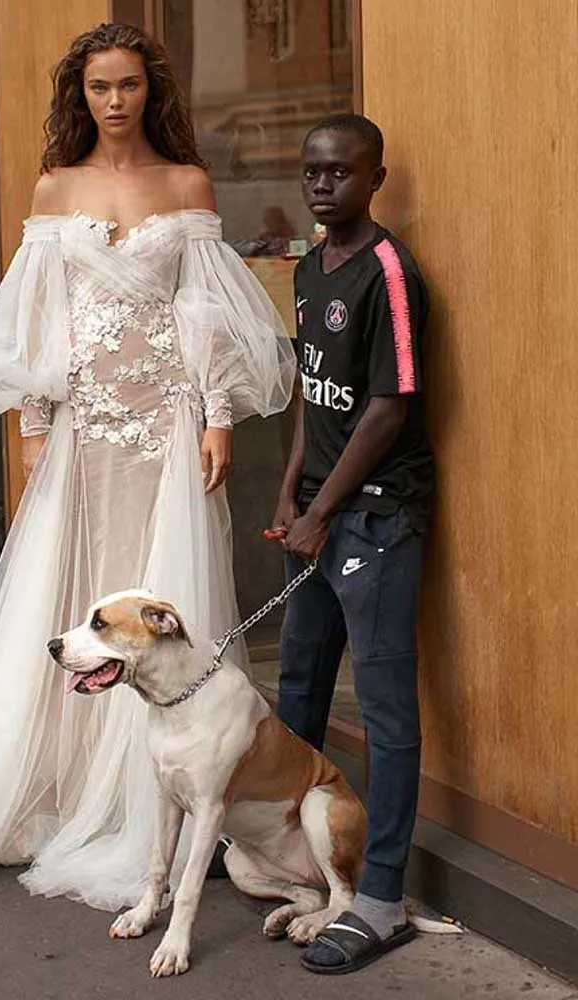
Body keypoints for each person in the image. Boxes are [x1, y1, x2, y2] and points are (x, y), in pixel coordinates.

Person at [0, 22, 295, 912]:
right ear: (78, 96)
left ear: (149, 91)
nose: (114, 101)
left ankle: (155, 801)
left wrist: (215, 416)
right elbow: (37, 314)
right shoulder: (54, 187)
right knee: (76, 591)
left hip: (165, 424)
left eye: (127, 85)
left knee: (163, 597)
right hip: (85, 427)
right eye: (98, 88)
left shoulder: (186, 182)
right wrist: (36, 426)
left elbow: (202, 312)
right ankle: (57, 787)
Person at [271, 113, 434, 974]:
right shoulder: (307, 267)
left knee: (384, 711)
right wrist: (290, 489)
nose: (322, 184)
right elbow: (316, 395)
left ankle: (379, 898)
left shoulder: (390, 274)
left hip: (378, 518)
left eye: (339, 173)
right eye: (311, 172)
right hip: (321, 515)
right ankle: (299, 861)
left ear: (375, 177)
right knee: (298, 685)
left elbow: (386, 409)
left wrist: (324, 511)